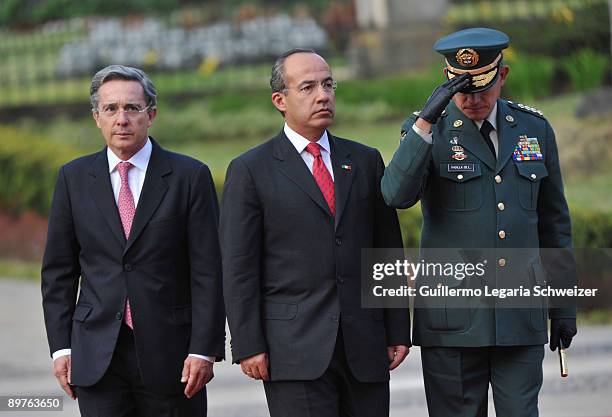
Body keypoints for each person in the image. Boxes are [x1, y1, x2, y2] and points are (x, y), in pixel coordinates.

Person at [381, 28, 578, 417]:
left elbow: (554, 224)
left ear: (501, 76)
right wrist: (424, 123)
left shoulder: (534, 129)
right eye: (461, 88)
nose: (471, 99)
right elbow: (396, 196)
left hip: (519, 315)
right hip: (452, 320)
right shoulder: (425, 131)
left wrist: (563, 306)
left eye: (482, 88)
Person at [219, 48, 411, 417]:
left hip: (364, 345)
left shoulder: (364, 160)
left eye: (328, 84)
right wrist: (247, 343)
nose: (323, 95)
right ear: (280, 100)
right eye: (307, 87)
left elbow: (387, 251)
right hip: (292, 350)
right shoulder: (250, 170)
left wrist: (398, 328)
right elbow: (239, 266)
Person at [41, 65, 225, 417]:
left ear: (151, 114)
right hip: (96, 355)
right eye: (110, 109)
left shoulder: (189, 177)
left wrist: (204, 349)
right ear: (97, 117)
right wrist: (61, 348)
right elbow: (59, 272)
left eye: (132, 108)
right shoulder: (73, 179)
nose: (121, 119)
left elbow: (208, 271)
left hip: (172, 357)